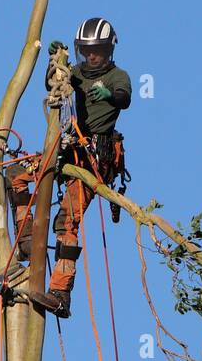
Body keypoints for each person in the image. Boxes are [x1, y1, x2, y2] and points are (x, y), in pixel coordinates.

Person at [28, 17, 131, 318]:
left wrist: (109, 95)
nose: (92, 56)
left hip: (95, 158)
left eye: (97, 50)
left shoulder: (117, 76)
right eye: (87, 50)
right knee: (17, 175)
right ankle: (25, 244)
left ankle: (60, 292)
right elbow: (57, 86)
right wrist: (56, 62)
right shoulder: (74, 74)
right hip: (68, 148)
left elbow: (124, 99)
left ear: (108, 50)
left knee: (66, 221)